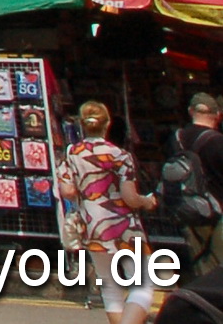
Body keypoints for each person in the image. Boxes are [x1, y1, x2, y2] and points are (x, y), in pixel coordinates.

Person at [60, 99, 160, 324]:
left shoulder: (71, 153)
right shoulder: (120, 156)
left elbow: (67, 191)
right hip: (124, 229)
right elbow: (129, 198)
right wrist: (146, 202)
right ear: (108, 124)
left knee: (110, 286)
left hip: (92, 227)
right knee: (143, 285)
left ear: (83, 125)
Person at [181, 93, 223, 276]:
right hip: (217, 212)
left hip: (187, 209)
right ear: (217, 114)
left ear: (191, 111)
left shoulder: (176, 138)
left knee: (201, 269)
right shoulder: (218, 141)